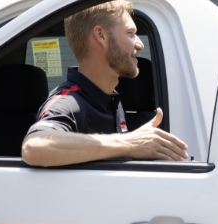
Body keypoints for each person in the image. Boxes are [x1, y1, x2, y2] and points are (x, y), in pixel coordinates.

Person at [22, 0, 188, 167]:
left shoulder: (110, 98)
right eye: (130, 33)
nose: (140, 44)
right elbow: (34, 146)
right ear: (101, 35)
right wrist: (129, 143)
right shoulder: (68, 102)